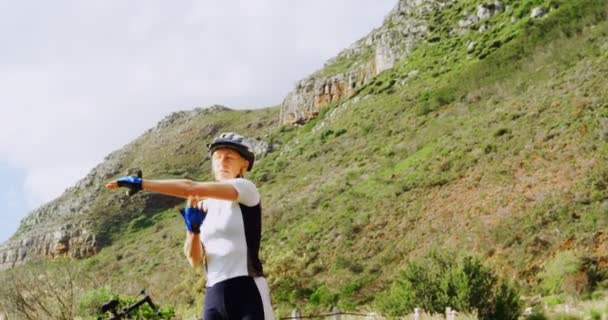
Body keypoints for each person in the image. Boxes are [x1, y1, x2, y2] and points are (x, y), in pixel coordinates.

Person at [106, 132, 274, 320]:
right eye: (218, 157)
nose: (222, 161)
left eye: (230, 157)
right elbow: (195, 260)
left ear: (244, 164)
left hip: (247, 290)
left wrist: (142, 184)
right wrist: (193, 231)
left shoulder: (246, 189)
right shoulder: (203, 205)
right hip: (214, 293)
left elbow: (191, 188)